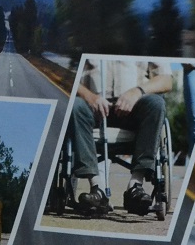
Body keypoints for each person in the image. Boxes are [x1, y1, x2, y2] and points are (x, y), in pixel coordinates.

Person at [69, 58, 173, 216]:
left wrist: (137, 91)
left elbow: (166, 80)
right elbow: (64, 76)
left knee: (156, 103)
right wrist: (90, 96)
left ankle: (135, 186)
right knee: (75, 105)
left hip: (134, 107)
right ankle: (97, 188)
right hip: (94, 108)